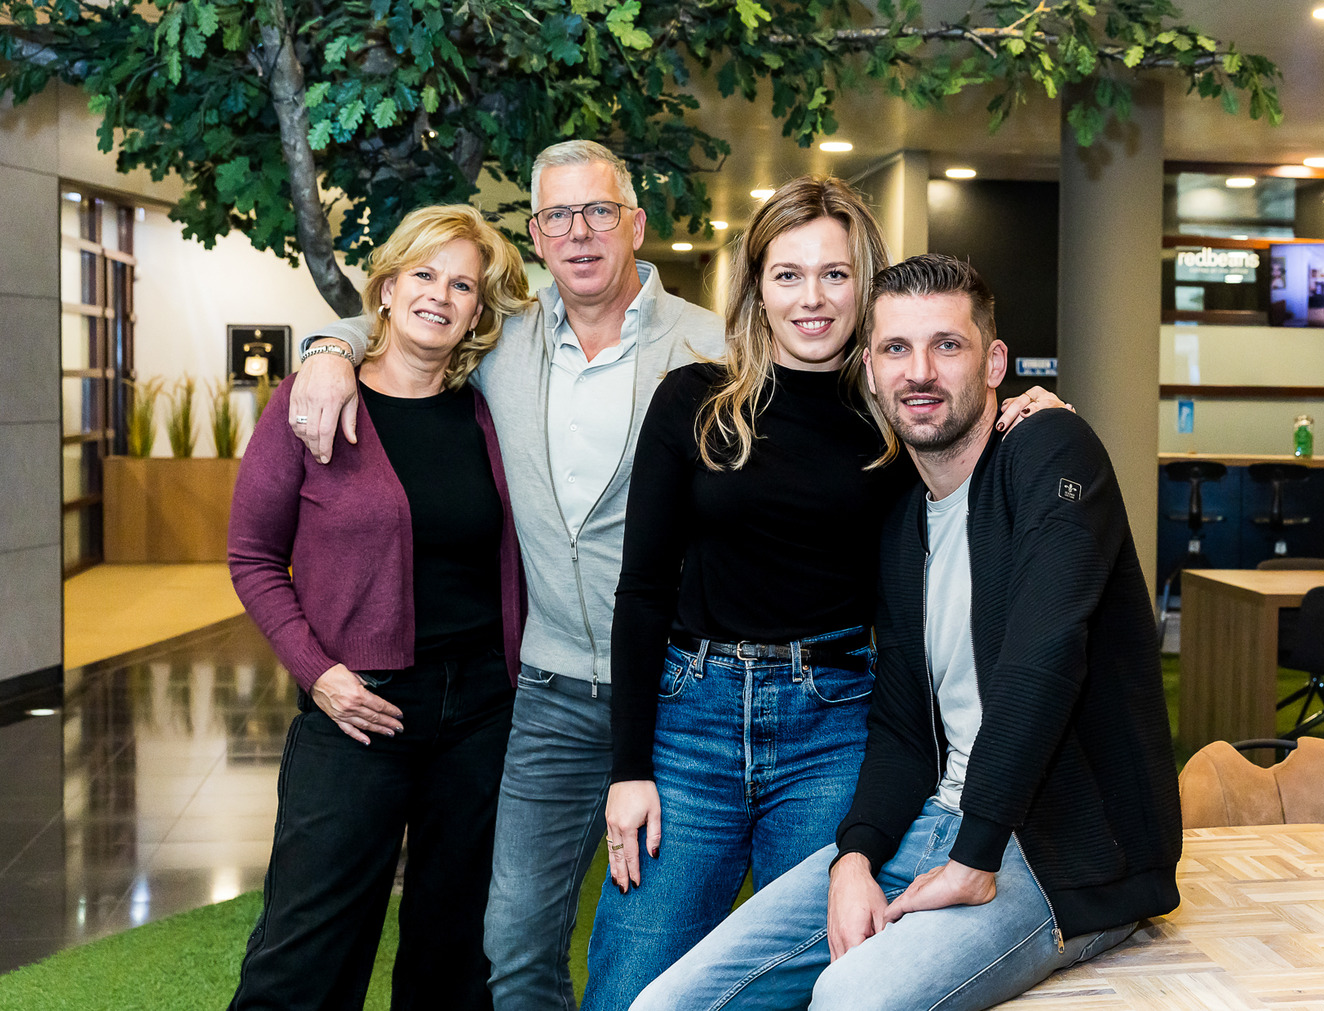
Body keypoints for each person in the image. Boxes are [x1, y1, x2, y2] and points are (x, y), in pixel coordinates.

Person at [631, 253, 1182, 1011]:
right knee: (667, 1003)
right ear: (870, 369)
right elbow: (901, 725)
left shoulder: (1050, 452)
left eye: (947, 345)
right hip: (932, 822)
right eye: (896, 348)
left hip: (1057, 851)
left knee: (849, 998)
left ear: (994, 363)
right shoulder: (902, 524)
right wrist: (856, 855)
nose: (919, 371)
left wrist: (976, 853)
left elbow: (1044, 656)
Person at [586, 178, 1068, 1009]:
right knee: (631, 986)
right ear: (758, 287)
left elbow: (977, 441)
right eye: (788, 274)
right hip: (691, 722)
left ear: (865, 284)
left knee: (814, 982)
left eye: (835, 274)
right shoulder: (693, 401)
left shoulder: (897, 413)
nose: (812, 297)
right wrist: (628, 767)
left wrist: (1035, 411)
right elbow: (642, 589)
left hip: (834, 721)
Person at [285, 140, 727, 1010]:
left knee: (655, 956)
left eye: (599, 211)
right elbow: (404, 322)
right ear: (536, 234)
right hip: (550, 694)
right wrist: (327, 347)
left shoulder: (711, 342)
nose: (580, 232)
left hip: (681, 689)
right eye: (558, 216)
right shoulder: (502, 340)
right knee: (512, 949)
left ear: (636, 224)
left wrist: (995, 404)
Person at [226, 203, 530, 1010]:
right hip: (356, 707)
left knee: (455, 945)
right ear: (387, 289)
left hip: (481, 712)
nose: (441, 295)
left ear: (477, 309)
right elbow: (252, 556)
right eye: (424, 274)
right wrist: (318, 673)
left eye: (462, 285)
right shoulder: (311, 400)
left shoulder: (487, 411)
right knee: (305, 950)